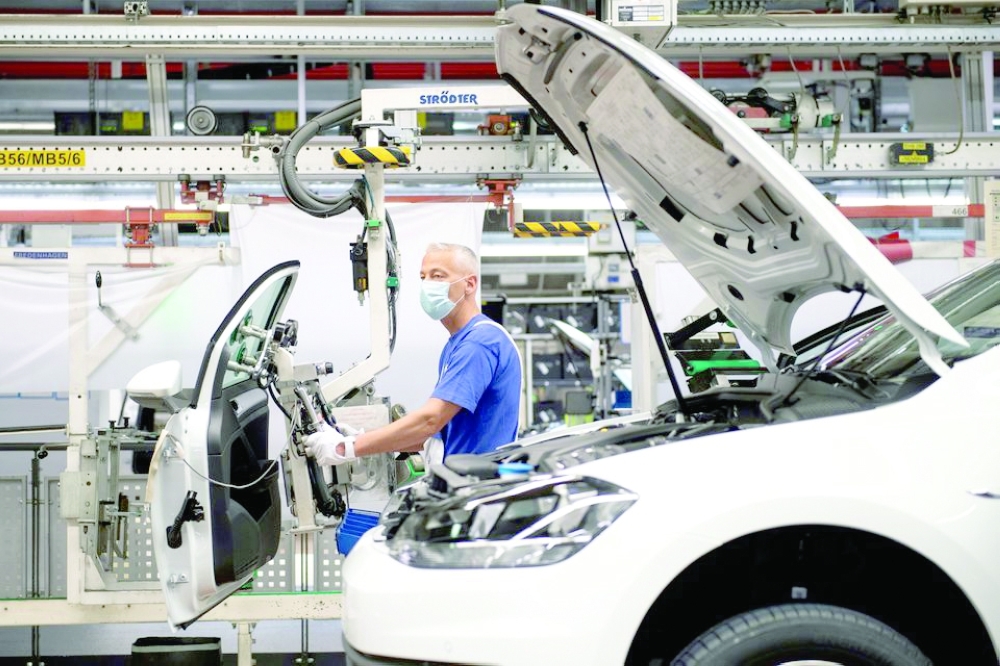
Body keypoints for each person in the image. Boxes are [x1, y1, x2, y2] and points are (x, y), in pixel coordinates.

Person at [304, 242, 522, 466]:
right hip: (461, 482)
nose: (428, 284)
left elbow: (430, 420)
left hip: (479, 488)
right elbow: (426, 436)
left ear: (469, 284)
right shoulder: (456, 345)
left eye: (438, 276)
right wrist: (358, 439)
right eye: (423, 277)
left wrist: (345, 449)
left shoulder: (479, 343)